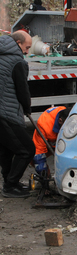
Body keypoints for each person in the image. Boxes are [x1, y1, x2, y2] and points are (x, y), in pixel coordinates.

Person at [0, 31, 35, 198]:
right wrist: (27, 107)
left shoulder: (2, 55)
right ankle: (10, 185)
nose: (27, 51)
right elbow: (22, 89)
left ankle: (9, 182)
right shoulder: (17, 61)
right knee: (27, 149)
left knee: (7, 148)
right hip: (6, 112)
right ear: (18, 43)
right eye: (27, 47)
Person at [32, 106, 70, 177]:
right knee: (36, 160)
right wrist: (44, 174)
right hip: (49, 142)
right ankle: (46, 178)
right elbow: (39, 151)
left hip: (65, 143)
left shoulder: (71, 116)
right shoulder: (44, 124)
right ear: (60, 121)